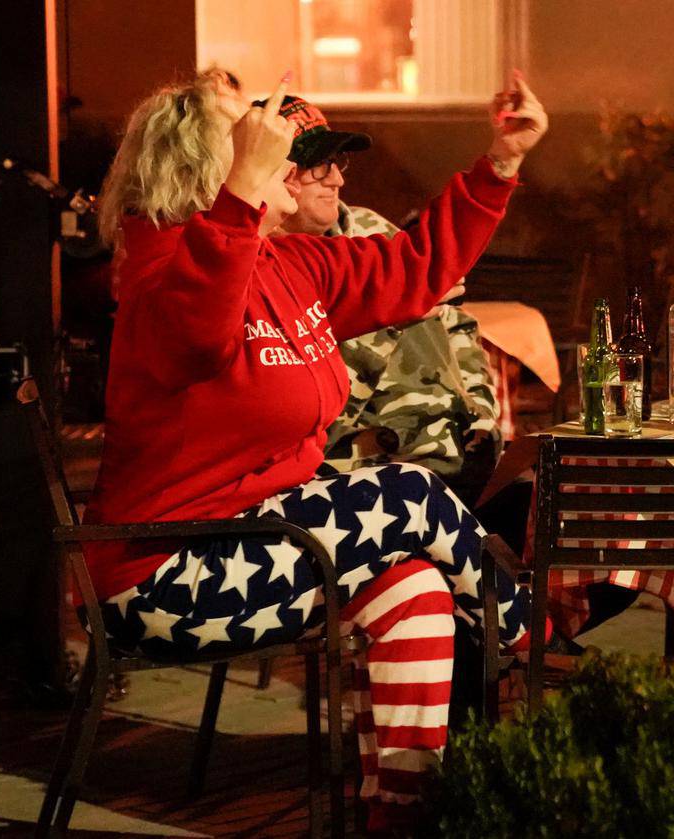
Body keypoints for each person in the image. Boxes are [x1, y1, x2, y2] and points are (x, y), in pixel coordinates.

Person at [86, 68, 547, 832]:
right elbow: (200, 326)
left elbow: (417, 269)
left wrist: (498, 164)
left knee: (417, 596)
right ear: (214, 167)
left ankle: (400, 815)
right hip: (164, 572)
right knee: (406, 491)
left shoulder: (285, 263)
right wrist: (241, 195)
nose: (280, 154)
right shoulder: (161, 274)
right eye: (254, 143)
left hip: (262, 539)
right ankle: (534, 639)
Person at [264, 94, 503, 505]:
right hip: (369, 473)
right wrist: (398, 307)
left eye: (339, 163)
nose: (337, 180)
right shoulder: (266, 270)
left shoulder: (372, 229)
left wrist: (480, 411)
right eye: (319, 166)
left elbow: (457, 324)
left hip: (460, 453)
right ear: (276, 173)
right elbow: (306, 409)